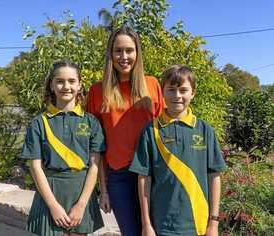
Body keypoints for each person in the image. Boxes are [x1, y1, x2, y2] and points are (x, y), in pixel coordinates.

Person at [129, 65, 226, 236]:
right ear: (162, 92)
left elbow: (215, 176)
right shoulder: (151, 130)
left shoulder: (205, 130)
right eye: (171, 90)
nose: (177, 96)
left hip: (199, 224)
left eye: (183, 90)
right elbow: (144, 178)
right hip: (163, 224)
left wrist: (214, 222)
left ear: (193, 93)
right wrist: (146, 224)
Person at [86, 25, 164, 236]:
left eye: (129, 50)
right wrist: (103, 190)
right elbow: (96, 147)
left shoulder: (152, 85)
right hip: (118, 177)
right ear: (110, 54)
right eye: (118, 50)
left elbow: (165, 133)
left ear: (137, 52)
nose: (124, 56)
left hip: (153, 175)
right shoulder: (97, 91)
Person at [20, 59, 105, 236]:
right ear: (51, 85)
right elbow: (35, 167)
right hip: (50, 194)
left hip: (81, 192)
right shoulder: (39, 123)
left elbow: (95, 166)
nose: (66, 86)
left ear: (79, 85)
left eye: (72, 81)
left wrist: (82, 204)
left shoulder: (91, 122)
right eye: (60, 81)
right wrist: (53, 205)